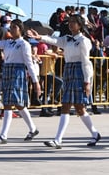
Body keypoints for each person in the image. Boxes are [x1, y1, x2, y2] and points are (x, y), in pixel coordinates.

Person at [27, 14, 101, 149]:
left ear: (80, 25)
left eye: (74, 22)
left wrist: (87, 81)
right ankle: (60, 139)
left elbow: (86, 62)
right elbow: (54, 41)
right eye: (69, 22)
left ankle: (92, 134)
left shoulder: (84, 41)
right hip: (69, 70)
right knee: (67, 105)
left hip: (79, 71)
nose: (70, 24)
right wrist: (40, 37)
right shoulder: (67, 39)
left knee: (79, 107)